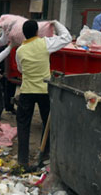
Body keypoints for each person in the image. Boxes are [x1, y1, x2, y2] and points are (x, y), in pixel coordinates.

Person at [15, 20, 72, 170]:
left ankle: (22, 159)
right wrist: (56, 23)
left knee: (23, 125)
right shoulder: (45, 43)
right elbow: (67, 37)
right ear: (36, 32)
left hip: (27, 91)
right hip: (44, 91)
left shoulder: (20, 50)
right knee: (47, 122)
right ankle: (44, 155)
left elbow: (21, 69)